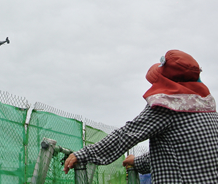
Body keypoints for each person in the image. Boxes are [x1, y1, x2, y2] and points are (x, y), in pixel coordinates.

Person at [64, 50, 217, 183]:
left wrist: (85, 153)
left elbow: (126, 134)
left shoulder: (169, 106)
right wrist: (137, 162)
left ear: (169, 82)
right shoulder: (206, 109)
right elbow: (178, 154)